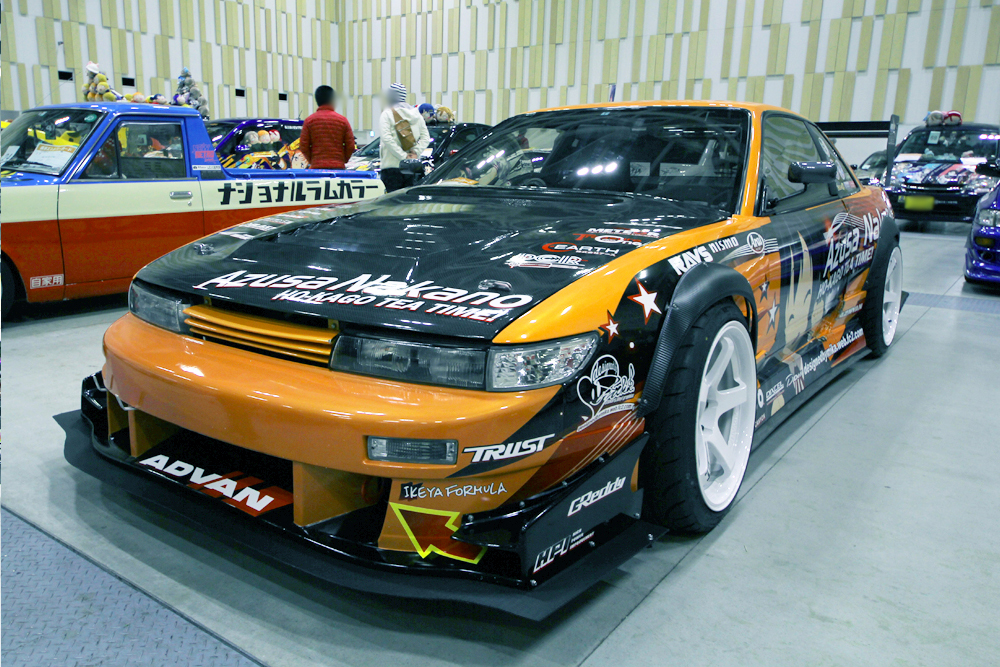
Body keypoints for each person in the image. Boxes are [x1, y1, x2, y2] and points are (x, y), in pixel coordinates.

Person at [379, 83, 430, 192]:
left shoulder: (387, 114)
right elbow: (426, 137)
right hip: (412, 167)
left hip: (391, 167)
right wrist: (415, 152)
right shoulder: (417, 115)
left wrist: (403, 156)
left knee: (391, 200)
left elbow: (386, 138)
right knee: (408, 199)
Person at [298, 85, 355, 169]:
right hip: (338, 167)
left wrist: (313, 160)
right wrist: (342, 160)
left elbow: (303, 146)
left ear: (317, 101)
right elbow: (350, 146)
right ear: (332, 100)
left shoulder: (309, 121)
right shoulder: (343, 121)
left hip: (317, 168)